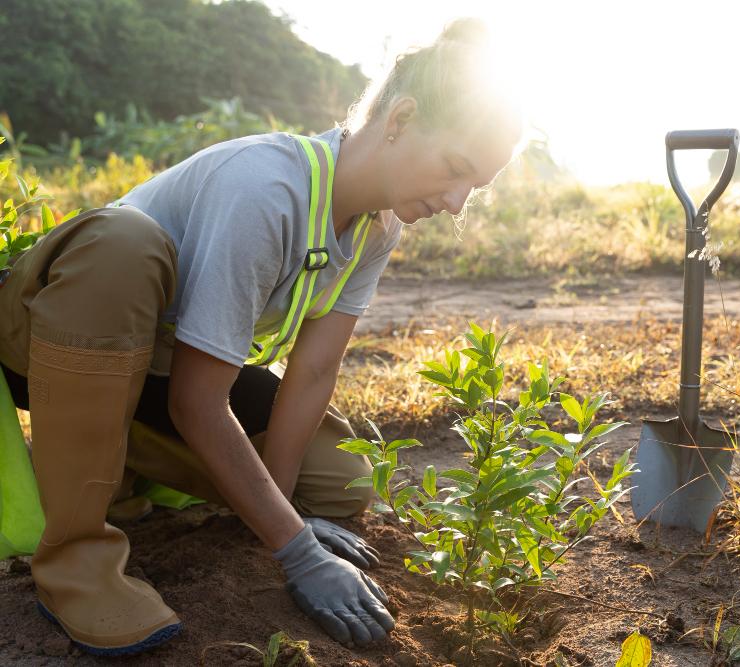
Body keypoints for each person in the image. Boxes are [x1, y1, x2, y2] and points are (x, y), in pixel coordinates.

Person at [0, 18, 522, 655]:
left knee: (338, 481)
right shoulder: (267, 187)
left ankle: (121, 462)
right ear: (402, 118)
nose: (456, 201)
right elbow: (199, 400)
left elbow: (313, 373)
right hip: (55, 337)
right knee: (124, 240)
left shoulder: (377, 228)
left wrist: (285, 519)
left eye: (475, 189)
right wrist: (298, 554)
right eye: (455, 168)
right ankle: (75, 563)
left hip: (154, 372)